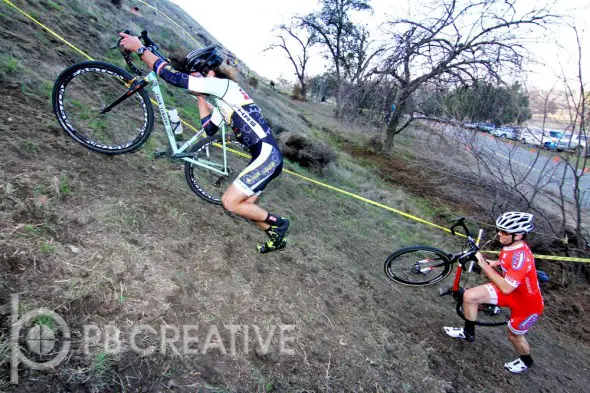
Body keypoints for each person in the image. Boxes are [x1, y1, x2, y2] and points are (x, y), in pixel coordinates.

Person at [118, 32, 290, 253]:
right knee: (246, 206)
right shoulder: (223, 98)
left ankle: (280, 224)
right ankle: (276, 237)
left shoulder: (224, 86)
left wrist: (140, 49)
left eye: (195, 75)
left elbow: (173, 77)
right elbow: (209, 128)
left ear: (209, 73)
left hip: (267, 156)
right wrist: (201, 98)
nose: (192, 79)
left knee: (230, 203)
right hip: (266, 157)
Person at [443, 212, 544, 374]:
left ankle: (527, 360)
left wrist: (483, 264)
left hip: (527, 304)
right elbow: (505, 263)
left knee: (514, 336)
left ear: (517, 235)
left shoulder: (521, 258)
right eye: (499, 230)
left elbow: (505, 288)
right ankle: (468, 332)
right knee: (469, 296)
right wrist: (494, 262)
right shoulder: (510, 247)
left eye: (504, 232)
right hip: (512, 290)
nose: (499, 233)